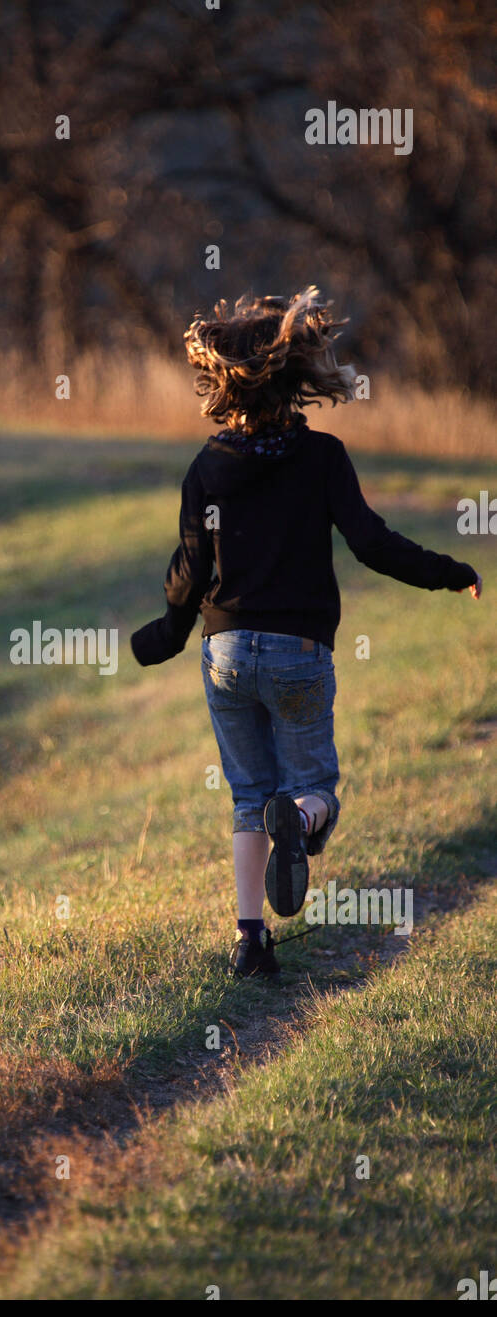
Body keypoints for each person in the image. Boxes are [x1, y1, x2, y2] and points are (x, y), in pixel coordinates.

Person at [130, 288, 481, 979]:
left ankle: (250, 942)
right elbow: (372, 544)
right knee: (315, 782)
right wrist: (448, 572)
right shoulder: (322, 458)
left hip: (224, 650)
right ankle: (304, 815)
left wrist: (166, 634)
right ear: (297, 377)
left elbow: (190, 571)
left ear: (222, 380)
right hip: (298, 649)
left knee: (245, 797)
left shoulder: (207, 467)